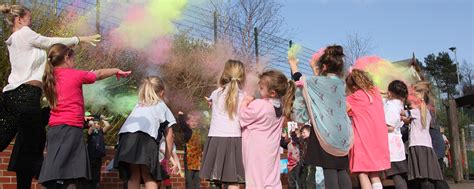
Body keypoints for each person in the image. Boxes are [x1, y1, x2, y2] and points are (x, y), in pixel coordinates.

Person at [0, 4, 100, 188]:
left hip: (11, 96)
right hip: (25, 96)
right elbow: (49, 42)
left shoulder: (13, 40)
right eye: (29, 19)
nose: (31, 23)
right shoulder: (24, 33)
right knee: (32, 146)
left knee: (18, 143)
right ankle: (54, 180)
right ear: (20, 20)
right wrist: (78, 39)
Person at [38, 44, 130, 188]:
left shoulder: (49, 77)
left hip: (55, 129)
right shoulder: (74, 74)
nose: (74, 62)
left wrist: (81, 117)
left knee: (55, 171)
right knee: (72, 173)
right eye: (73, 58)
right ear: (67, 57)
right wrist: (115, 70)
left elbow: (64, 102)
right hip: (70, 130)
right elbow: (98, 74)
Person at [289, 45, 353, 189]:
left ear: (323, 66)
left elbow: (300, 80)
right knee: (342, 170)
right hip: (342, 134)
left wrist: (293, 64)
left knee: (329, 170)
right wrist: (315, 69)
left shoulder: (315, 82)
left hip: (325, 132)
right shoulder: (341, 83)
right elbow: (321, 86)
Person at [114, 76, 177, 189]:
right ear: (162, 92)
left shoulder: (139, 105)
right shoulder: (162, 106)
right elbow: (170, 135)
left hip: (126, 139)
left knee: (134, 175)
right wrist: (167, 158)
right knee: (149, 175)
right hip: (145, 138)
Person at [240, 70, 295, 189]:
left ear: (272, 93)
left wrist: (244, 102)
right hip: (271, 150)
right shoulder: (280, 108)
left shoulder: (260, 105)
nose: (259, 90)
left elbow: (242, 117)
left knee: (255, 180)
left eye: (261, 88)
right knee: (271, 180)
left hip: (256, 150)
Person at [200, 60, 246, 189]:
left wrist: (211, 103)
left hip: (215, 138)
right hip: (235, 139)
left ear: (224, 74)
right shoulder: (244, 96)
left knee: (216, 179)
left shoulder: (215, 94)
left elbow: (215, 102)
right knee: (233, 180)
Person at [346, 69, 390, 189]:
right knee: (374, 173)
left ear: (354, 86)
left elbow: (342, 109)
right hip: (379, 138)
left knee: (362, 172)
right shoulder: (375, 93)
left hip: (363, 139)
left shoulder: (354, 98)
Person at [406, 82, 444, 189]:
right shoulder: (426, 111)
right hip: (428, 147)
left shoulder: (417, 111)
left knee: (424, 178)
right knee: (428, 178)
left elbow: (404, 114)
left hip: (421, 146)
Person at [384, 80, 410, 189]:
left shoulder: (390, 106)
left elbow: (389, 127)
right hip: (398, 146)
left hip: (390, 146)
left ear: (390, 93)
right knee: (399, 175)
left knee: (396, 175)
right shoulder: (400, 106)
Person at [178, 111, 204, 189]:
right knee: (189, 181)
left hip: (198, 160)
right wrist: (180, 116)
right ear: (187, 122)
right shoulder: (187, 131)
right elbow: (182, 125)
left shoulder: (200, 132)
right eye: (192, 121)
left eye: (195, 121)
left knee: (197, 181)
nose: (194, 123)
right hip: (189, 160)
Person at [86, 114, 113, 189]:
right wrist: (92, 123)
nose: (97, 125)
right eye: (95, 123)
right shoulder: (91, 131)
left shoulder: (101, 131)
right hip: (91, 156)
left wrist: (103, 119)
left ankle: (95, 186)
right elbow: (91, 129)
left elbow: (108, 126)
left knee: (97, 174)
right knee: (90, 173)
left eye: (98, 123)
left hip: (98, 156)